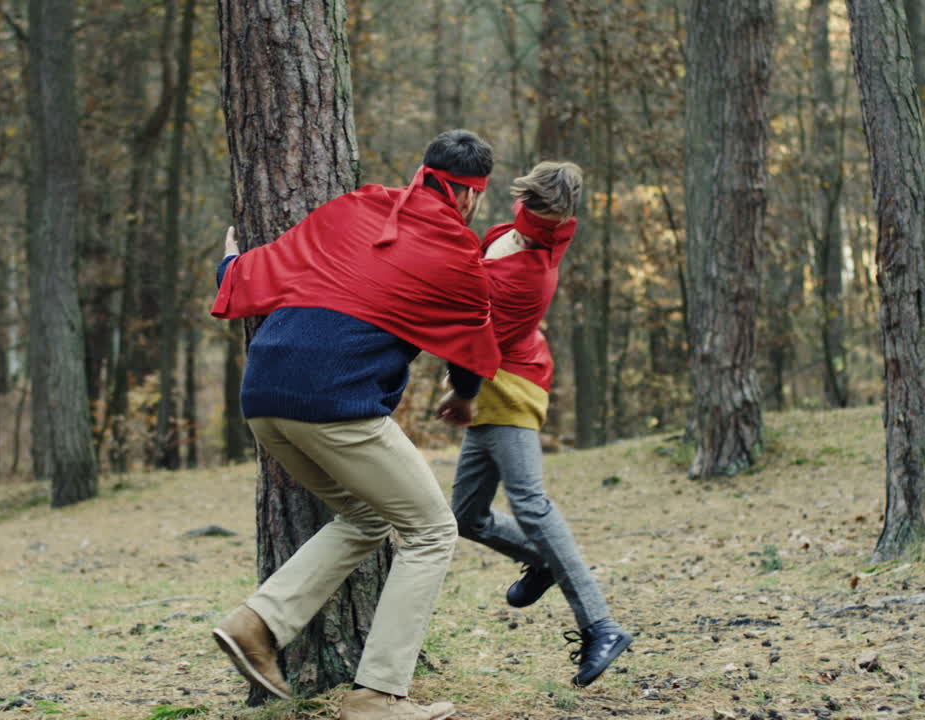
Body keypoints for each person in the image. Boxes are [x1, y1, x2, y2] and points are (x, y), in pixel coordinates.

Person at [209, 130, 498, 720]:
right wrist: (464, 400)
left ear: (423, 172)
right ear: (470, 197)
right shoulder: (455, 253)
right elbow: (472, 344)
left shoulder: (357, 206)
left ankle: (256, 624)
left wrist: (229, 263)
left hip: (263, 395)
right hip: (335, 405)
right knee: (432, 531)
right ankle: (379, 695)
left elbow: (261, 270)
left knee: (367, 516)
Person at [442, 161, 633, 688]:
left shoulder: (526, 275)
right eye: (522, 204)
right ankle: (542, 560)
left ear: (554, 220)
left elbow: (475, 344)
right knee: (465, 516)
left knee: (530, 502)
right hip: (493, 384)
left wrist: (461, 396)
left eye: (535, 212)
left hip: (508, 387)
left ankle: (601, 625)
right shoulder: (513, 236)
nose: (521, 215)